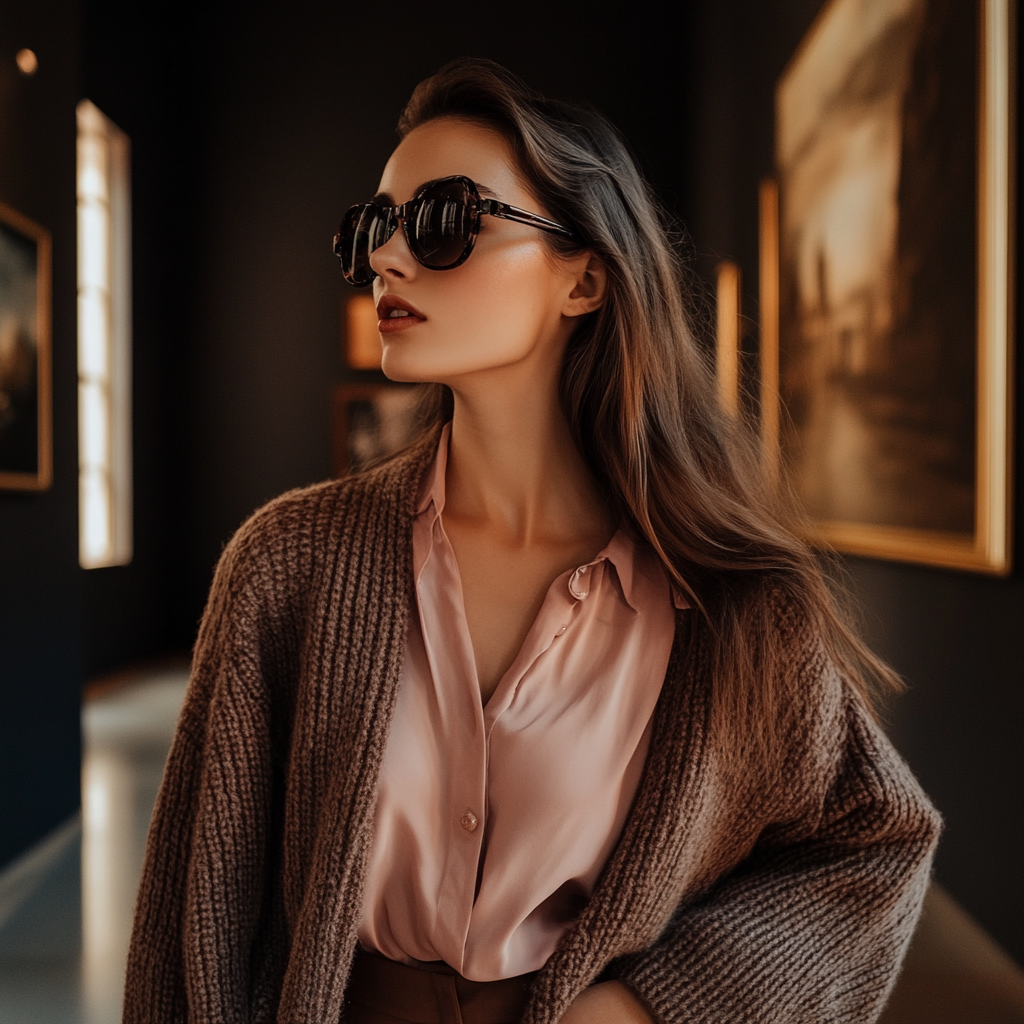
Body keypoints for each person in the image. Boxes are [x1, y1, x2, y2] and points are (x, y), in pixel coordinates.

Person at [123, 59, 940, 1024]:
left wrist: (646, 1009)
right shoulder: (286, 566)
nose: (389, 259)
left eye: (442, 222)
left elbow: (872, 840)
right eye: (373, 230)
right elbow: (194, 917)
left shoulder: (730, 598)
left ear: (585, 279)